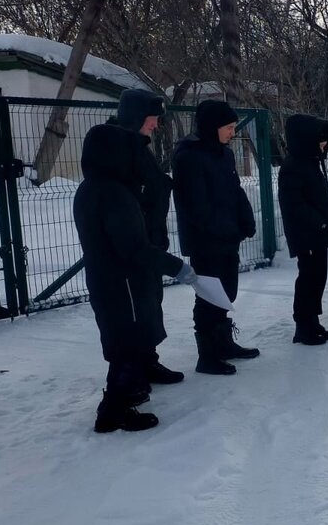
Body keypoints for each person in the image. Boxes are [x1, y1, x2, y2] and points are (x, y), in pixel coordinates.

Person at [73, 123, 197, 433]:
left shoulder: (90, 188)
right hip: (124, 283)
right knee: (128, 344)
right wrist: (176, 267)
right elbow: (133, 248)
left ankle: (119, 402)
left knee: (122, 343)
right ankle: (114, 409)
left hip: (106, 279)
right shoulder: (114, 194)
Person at [171, 100, 260, 375]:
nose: (233, 132)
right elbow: (195, 206)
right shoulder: (189, 156)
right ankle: (207, 355)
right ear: (213, 127)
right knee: (209, 295)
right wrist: (222, 228)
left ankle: (223, 344)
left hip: (227, 236)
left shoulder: (223, 154)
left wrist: (245, 218)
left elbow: (234, 189)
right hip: (205, 240)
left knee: (227, 291)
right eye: (229, 127)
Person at [108, 88, 185, 385]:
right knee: (138, 308)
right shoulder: (120, 150)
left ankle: (148, 360)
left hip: (151, 240)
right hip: (134, 244)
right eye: (152, 118)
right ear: (136, 117)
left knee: (151, 303)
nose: (155, 124)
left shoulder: (139, 146)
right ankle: (135, 369)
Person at [278, 113, 328, 345]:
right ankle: (303, 326)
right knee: (308, 278)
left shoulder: (311, 162)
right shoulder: (293, 166)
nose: (325, 144)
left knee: (318, 277)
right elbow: (293, 204)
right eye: (321, 139)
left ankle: (313, 321)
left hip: (317, 233)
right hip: (306, 234)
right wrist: (319, 221)